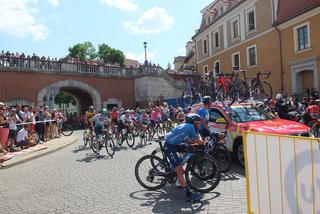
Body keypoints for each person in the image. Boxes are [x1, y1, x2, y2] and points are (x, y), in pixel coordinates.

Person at [164, 113, 204, 202]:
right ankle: (188, 195)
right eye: (198, 123)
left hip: (174, 143)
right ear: (193, 122)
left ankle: (176, 164)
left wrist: (193, 142)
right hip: (169, 146)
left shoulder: (187, 125)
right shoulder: (191, 127)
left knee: (188, 148)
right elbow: (197, 140)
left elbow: (189, 139)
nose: (199, 125)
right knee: (180, 170)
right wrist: (203, 143)